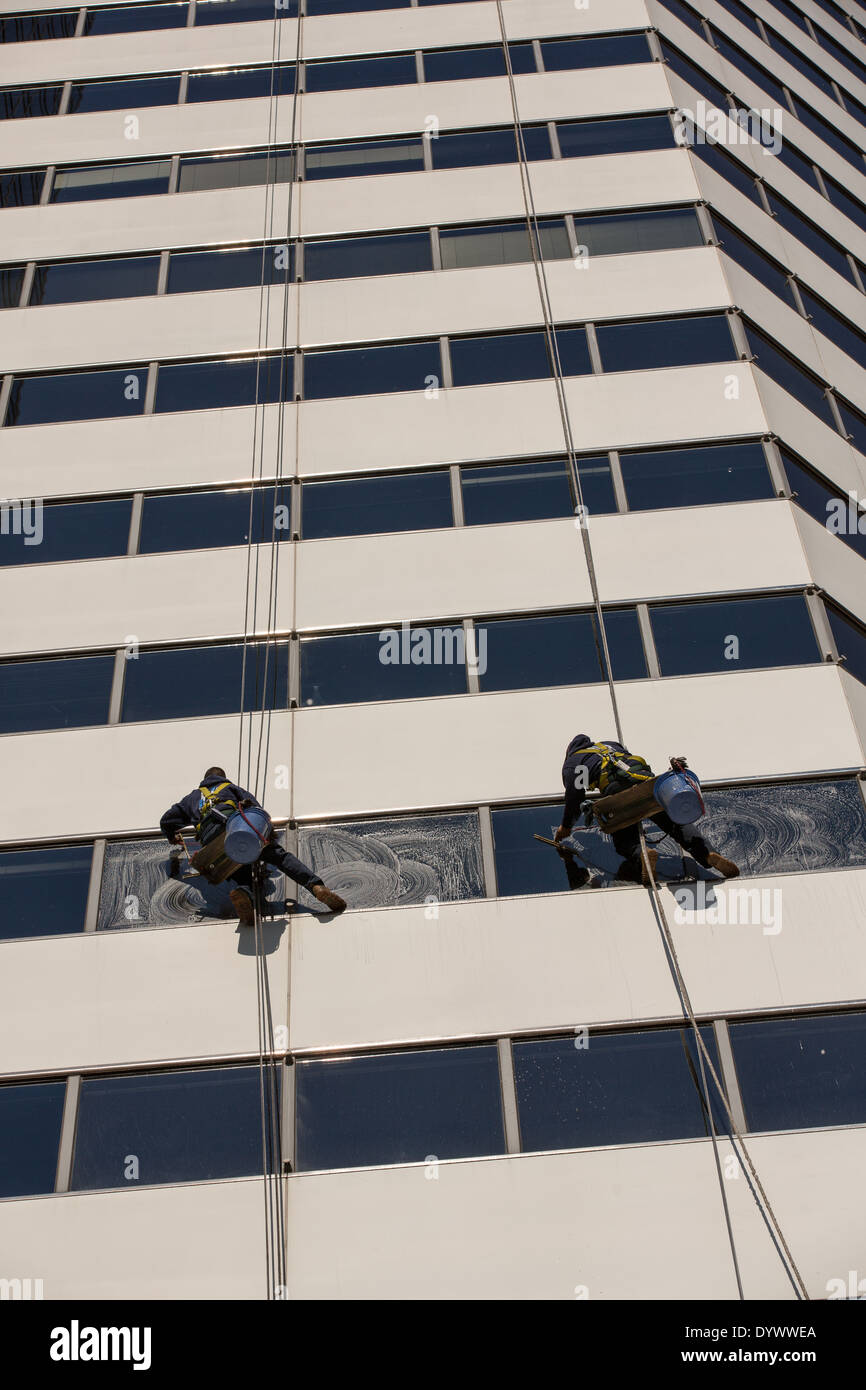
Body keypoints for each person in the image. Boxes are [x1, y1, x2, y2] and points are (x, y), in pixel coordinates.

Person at [160, 767, 346, 925]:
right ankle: (315, 886)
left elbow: (166, 821)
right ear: (222, 777)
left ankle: (244, 895)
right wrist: (267, 838)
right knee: (280, 857)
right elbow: (256, 813)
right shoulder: (231, 788)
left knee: (238, 866)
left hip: (212, 843)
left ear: (204, 781)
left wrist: (172, 836)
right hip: (236, 830)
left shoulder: (192, 798)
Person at [554, 735, 739, 885]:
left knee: (624, 841)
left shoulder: (574, 762)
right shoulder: (609, 745)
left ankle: (642, 854)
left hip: (617, 790)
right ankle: (708, 853)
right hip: (647, 783)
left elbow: (575, 796)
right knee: (676, 824)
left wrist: (566, 826)